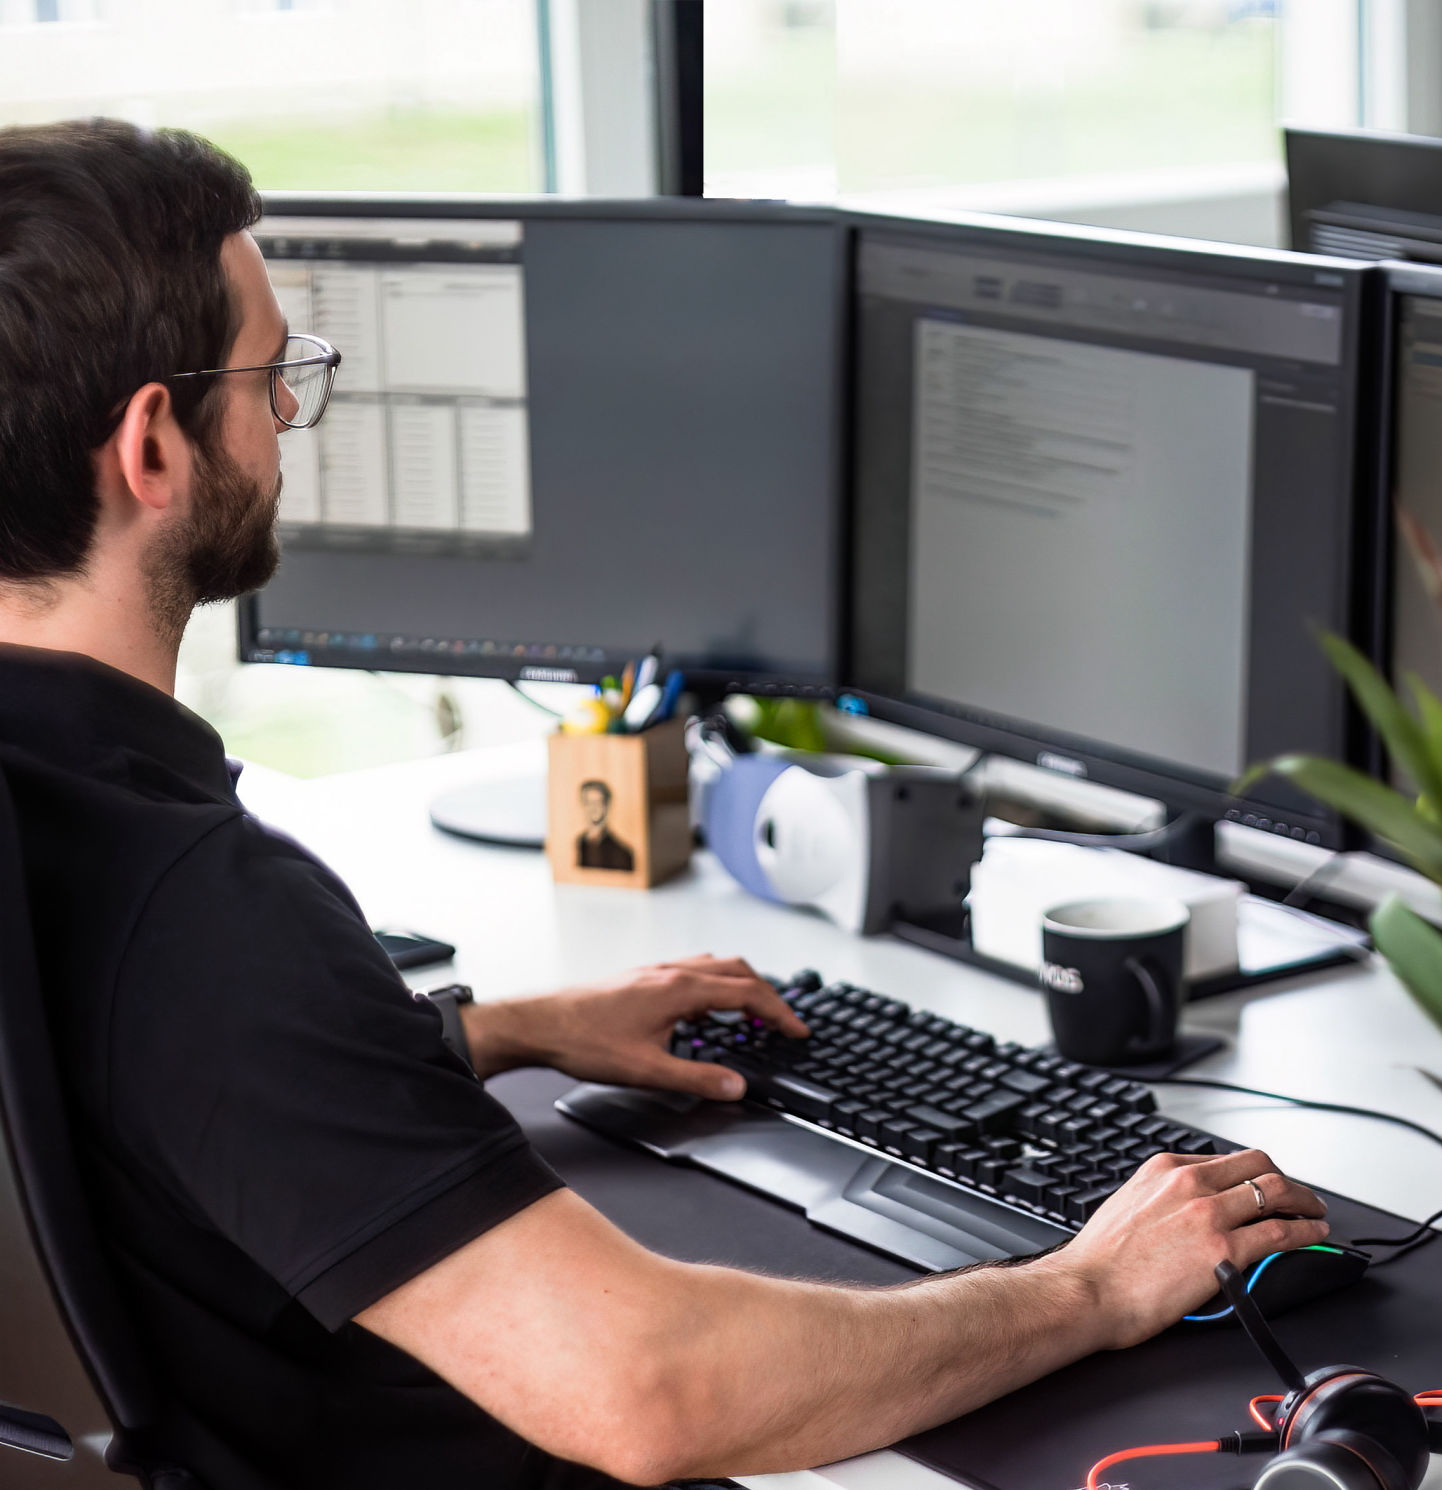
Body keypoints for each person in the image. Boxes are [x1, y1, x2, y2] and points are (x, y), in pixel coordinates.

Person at [0, 120, 1328, 1490]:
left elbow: (114, 1094)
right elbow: (651, 1389)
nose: (288, 416)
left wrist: (495, 1031)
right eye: (273, 376)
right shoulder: (205, 907)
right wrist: (1092, 1285)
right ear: (152, 445)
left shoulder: (53, 816)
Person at [576, 778, 636, 872]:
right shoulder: (577, 846)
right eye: (589, 803)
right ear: (583, 805)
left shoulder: (621, 853)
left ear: (606, 805)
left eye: (598, 802)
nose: (593, 808)